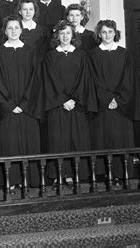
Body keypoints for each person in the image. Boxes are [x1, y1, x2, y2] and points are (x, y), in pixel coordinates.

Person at [88, 19, 140, 182]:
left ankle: (121, 174)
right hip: (102, 107)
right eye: (104, 32)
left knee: (121, 141)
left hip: (121, 107)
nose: (107, 35)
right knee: (102, 140)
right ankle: (103, 174)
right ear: (99, 34)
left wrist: (117, 99)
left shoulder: (124, 54)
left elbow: (129, 80)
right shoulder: (92, 55)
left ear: (115, 33)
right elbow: (92, 81)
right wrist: (106, 99)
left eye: (110, 31)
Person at [42, 20, 97, 184]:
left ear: (73, 35)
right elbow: (50, 80)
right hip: (57, 106)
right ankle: (59, 175)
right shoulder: (50, 57)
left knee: (77, 140)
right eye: (61, 33)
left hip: (77, 106)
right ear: (56, 36)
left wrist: (74, 99)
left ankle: (75, 174)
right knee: (58, 141)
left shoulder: (81, 55)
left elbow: (84, 80)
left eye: (68, 33)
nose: (65, 36)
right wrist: (63, 100)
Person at [0, 16, 41, 189]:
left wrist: (24, 103)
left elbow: (35, 80)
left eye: (16, 28)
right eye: (9, 28)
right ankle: (9, 182)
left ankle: (29, 182)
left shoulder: (31, 51)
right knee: (8, 144)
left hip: (28, 108)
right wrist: (10, 104)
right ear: (5, 31)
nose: (13, 31)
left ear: (21, 30)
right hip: (6, 109)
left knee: (29, 144)